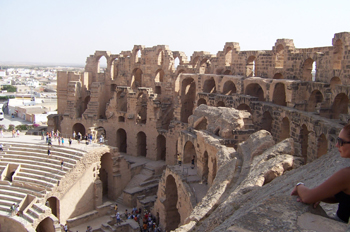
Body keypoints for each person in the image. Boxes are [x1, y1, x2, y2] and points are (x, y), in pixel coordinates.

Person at [291, 124, 350, 223]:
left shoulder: (347, 175)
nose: (336, 145)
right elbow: (344, 197)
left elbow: (307, 197)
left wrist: (299, 186)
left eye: (341, 142)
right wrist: (320, 195)